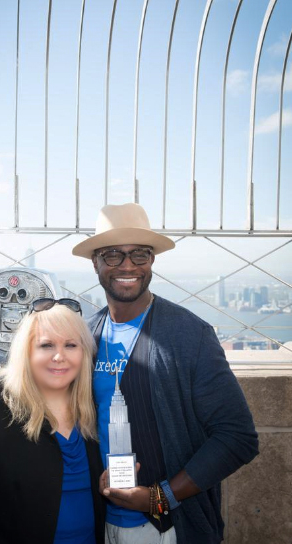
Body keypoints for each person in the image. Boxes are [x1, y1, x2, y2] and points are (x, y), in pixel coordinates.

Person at [72, 203, 259, 544]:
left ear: (152, 260)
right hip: (101, 525)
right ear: (95, 262)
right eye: (113, 255)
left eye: (140, 254)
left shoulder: (188, 334)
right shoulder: (87, 335)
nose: (128, 265)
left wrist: (160, 498)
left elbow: (237, 438)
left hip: (169, 529)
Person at [0, 298, 105, 544]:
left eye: (71, 345)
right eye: (46, 345)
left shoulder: (93, 405)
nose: (59, 356)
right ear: (26, 351)